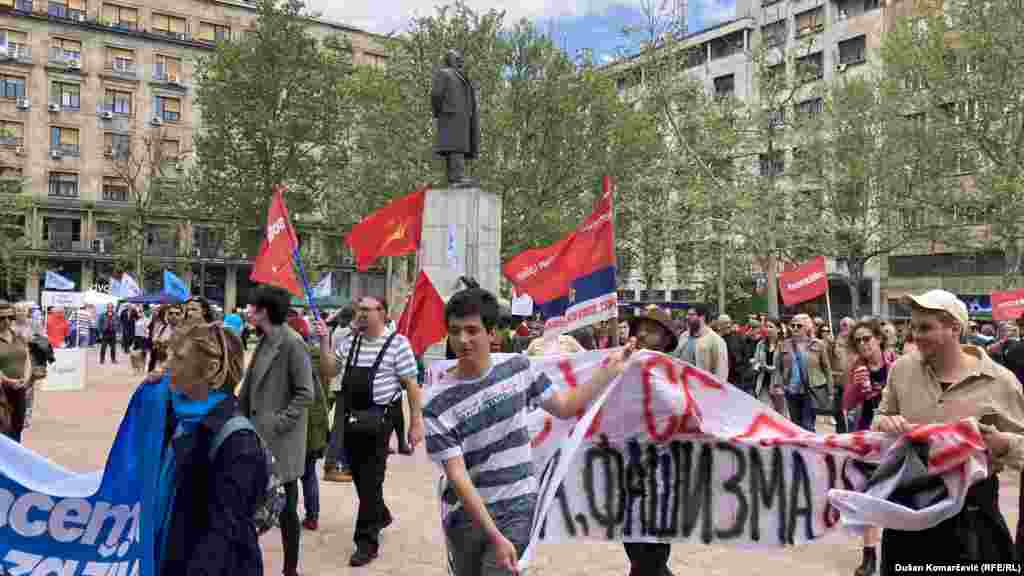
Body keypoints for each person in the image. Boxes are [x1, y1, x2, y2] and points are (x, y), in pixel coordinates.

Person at [423, 287, 634, 576]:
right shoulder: (434, 402)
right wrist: (492, 534)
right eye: (455, 331)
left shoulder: (519, 368)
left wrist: (608, 371)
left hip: (516, 508)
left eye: (472, 330)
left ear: (492, 333)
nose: (463, 340)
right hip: (466, 515)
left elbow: (564, 406)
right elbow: (457, 475)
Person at [874, 290, 1022, 572]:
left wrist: (1003, 444)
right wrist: (885, 423)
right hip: (907, 513)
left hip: (972, 519)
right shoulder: (901, 370)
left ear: (955, 328)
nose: (915, 335)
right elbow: (880, 419)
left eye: (925, 327)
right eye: (913, 326)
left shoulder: (1001, 382)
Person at [314, 295, 424, 567]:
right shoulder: (350, 342)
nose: (360, 314)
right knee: (361, 477)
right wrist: (325, 340)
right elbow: (328, 370)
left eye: (366, 310)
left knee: (372, 479)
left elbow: (411, 384)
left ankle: (366, 543)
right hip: (351, 420)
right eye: (358, 310)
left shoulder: (398, 344)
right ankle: (381, 514)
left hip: (379, 422)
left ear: (383, 313)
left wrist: (416, 422)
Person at [156, 320, 268, 575]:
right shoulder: (182, 417)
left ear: (211, 368)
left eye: (179, 357)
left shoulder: (237, 441)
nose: (168, 363)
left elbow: (222, 536)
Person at [238, 285, 315, 576]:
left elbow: (306, 393)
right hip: (256, 436)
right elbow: (248, 389)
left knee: (287, 509)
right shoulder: (263, 341)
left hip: (282, 441)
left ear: (265, 311)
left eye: (252, 307)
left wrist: (280, 423)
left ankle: (290, 569)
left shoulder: (293, 343)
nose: (247, 311)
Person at [623, 305, 677, 576]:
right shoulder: (620, 366)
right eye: (639, 328)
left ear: (666, 339)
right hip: (627, 471)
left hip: (661, 476)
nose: (642, 334)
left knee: (651, 554)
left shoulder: (676, 375)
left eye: (651, 330)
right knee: (634, 547)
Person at [841, 318, 890, 576]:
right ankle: (869, 555)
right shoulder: (857, 368)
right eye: (858, 341)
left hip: (895, 441)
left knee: (897, 496)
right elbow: (846, 403)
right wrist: (858, 388)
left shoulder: (897, 365)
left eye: (867, 339)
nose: (863, 344)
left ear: (879, 339)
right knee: (870, 497)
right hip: (868, 441)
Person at [0, 301, 46, 442]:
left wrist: (25, 379)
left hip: (19, 390)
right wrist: (7, 381)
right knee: (3, 429)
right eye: (2, 318)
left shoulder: (19, 336)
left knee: (16, 428)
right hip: (1, 392)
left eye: (10, 317)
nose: (7, 321)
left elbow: (26, 358)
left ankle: (13, 461)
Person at [781, 314, 833, 432]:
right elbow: (780, 366)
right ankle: (798, 449)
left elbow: (826, 369)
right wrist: (783, 384)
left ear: (807, 328)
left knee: (807, 425)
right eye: (792, 325)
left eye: (798, 326)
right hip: (792, 390)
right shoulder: (785, 344)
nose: (794, 328)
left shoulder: (818, 344)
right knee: (795, 425)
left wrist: (830, 391)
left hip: (811, 390)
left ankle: (809, 448)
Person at [300, 338, 331, 531]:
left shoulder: (289, 356)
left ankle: (284, 513)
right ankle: (313, 516)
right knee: (309, 473)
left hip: (297, 425)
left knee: (288, 476)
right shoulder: (320, 356)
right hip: (317, 421)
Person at [323, 305, 356, 482]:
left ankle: (339, 461)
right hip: (343, 383)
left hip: (339, 382)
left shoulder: (338, 330)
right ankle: (332, 464)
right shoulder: (345, 333)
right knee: (340, 427)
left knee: (341, 425)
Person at [673, 304, 728, 381]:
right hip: (681, 385)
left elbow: (721, 371)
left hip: (701, 388)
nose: (687, 317)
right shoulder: (684, 336)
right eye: (687, 314)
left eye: (691, 315)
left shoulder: (716, 340)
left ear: (702, 317)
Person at [752, 318, 786, 415]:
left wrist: (774, 368)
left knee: (780, 415)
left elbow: (786, 366)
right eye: (766, 326)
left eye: (770, 327)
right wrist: (756, 365)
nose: (767, 329)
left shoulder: (783, 344)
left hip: (778, 384)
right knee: (766, 413)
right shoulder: (761, 344)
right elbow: (756, 360)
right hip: (763, 383)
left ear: (778, 329)